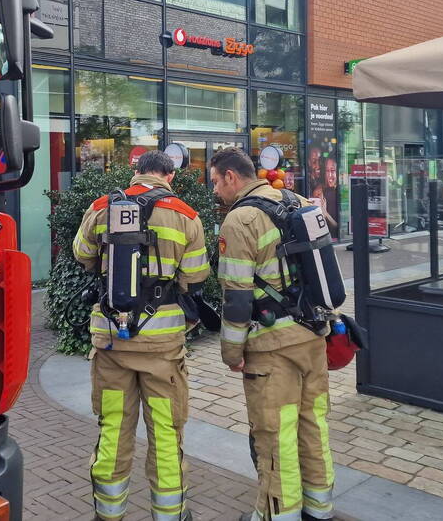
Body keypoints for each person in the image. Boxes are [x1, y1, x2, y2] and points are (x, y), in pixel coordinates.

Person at [73, 150, 210, 521]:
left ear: (136, 172)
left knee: (113, 429)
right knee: (165, 432)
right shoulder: (186, 215)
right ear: (170, 176)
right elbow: (195, 275)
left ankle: (109, 513)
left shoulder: (101, 206)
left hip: (112, 344)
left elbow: (82, 254)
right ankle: (169, 515)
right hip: (162, 349)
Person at [208, 147, 336, 521]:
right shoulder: (295, 200)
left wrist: (232, 354)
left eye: (216, 181)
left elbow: (236, 298)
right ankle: (320, 508)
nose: (215, 190)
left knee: (275, 434)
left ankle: (279, 515)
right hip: (312, 335)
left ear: (232, 177)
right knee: (314, 425)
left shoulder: (240, 220)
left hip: (271, 347)